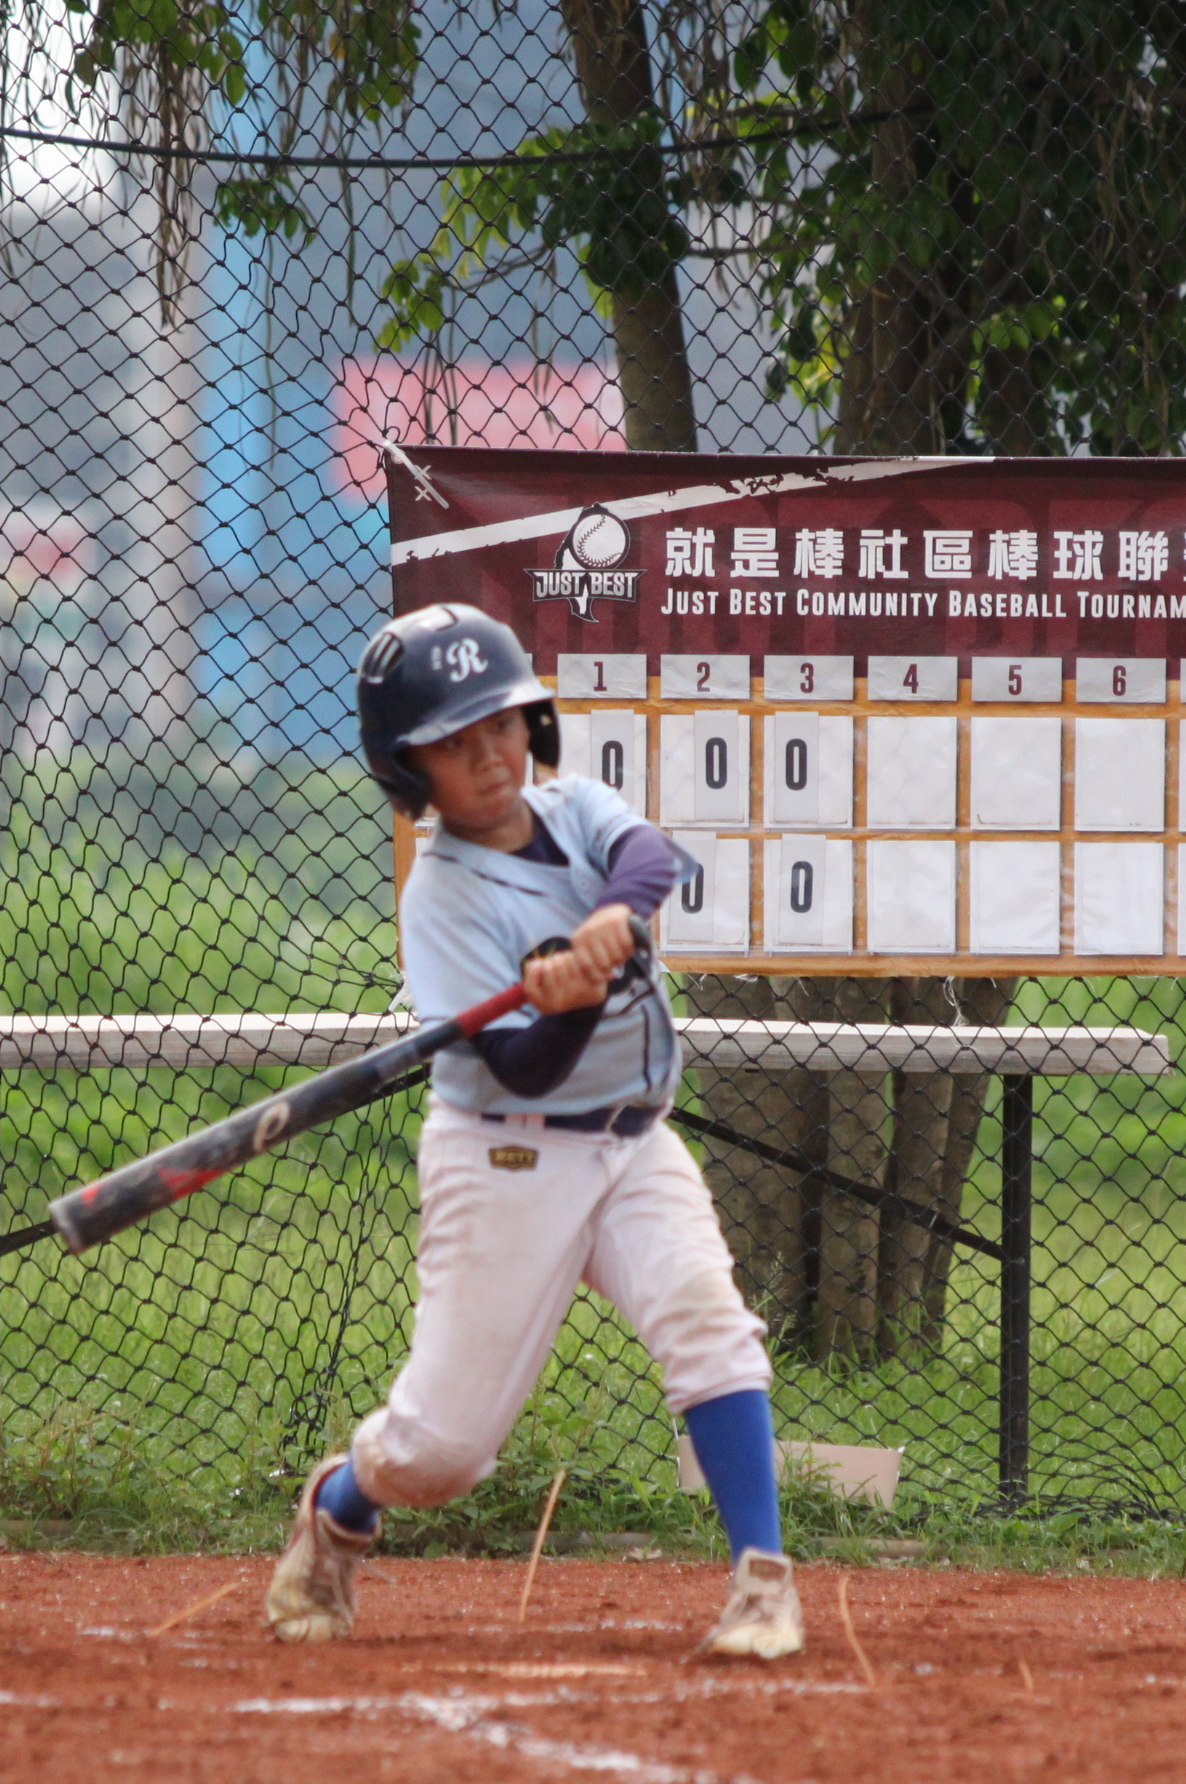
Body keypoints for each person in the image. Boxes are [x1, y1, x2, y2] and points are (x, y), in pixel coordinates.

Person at [265, 603, 803, 1660]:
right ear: (409, 768)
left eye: (503, 726)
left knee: (708, 1319)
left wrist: (608, 920)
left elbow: (649, 857)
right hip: (505, 1152)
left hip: (634, 1141)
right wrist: (569, 1004)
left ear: (533, 726)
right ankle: (340, 1503)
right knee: (441, 1457)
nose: (490, 757)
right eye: (456, 743)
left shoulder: (577, 809)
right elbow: (523, 1068)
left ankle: (763, 1582)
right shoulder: (441, 898)